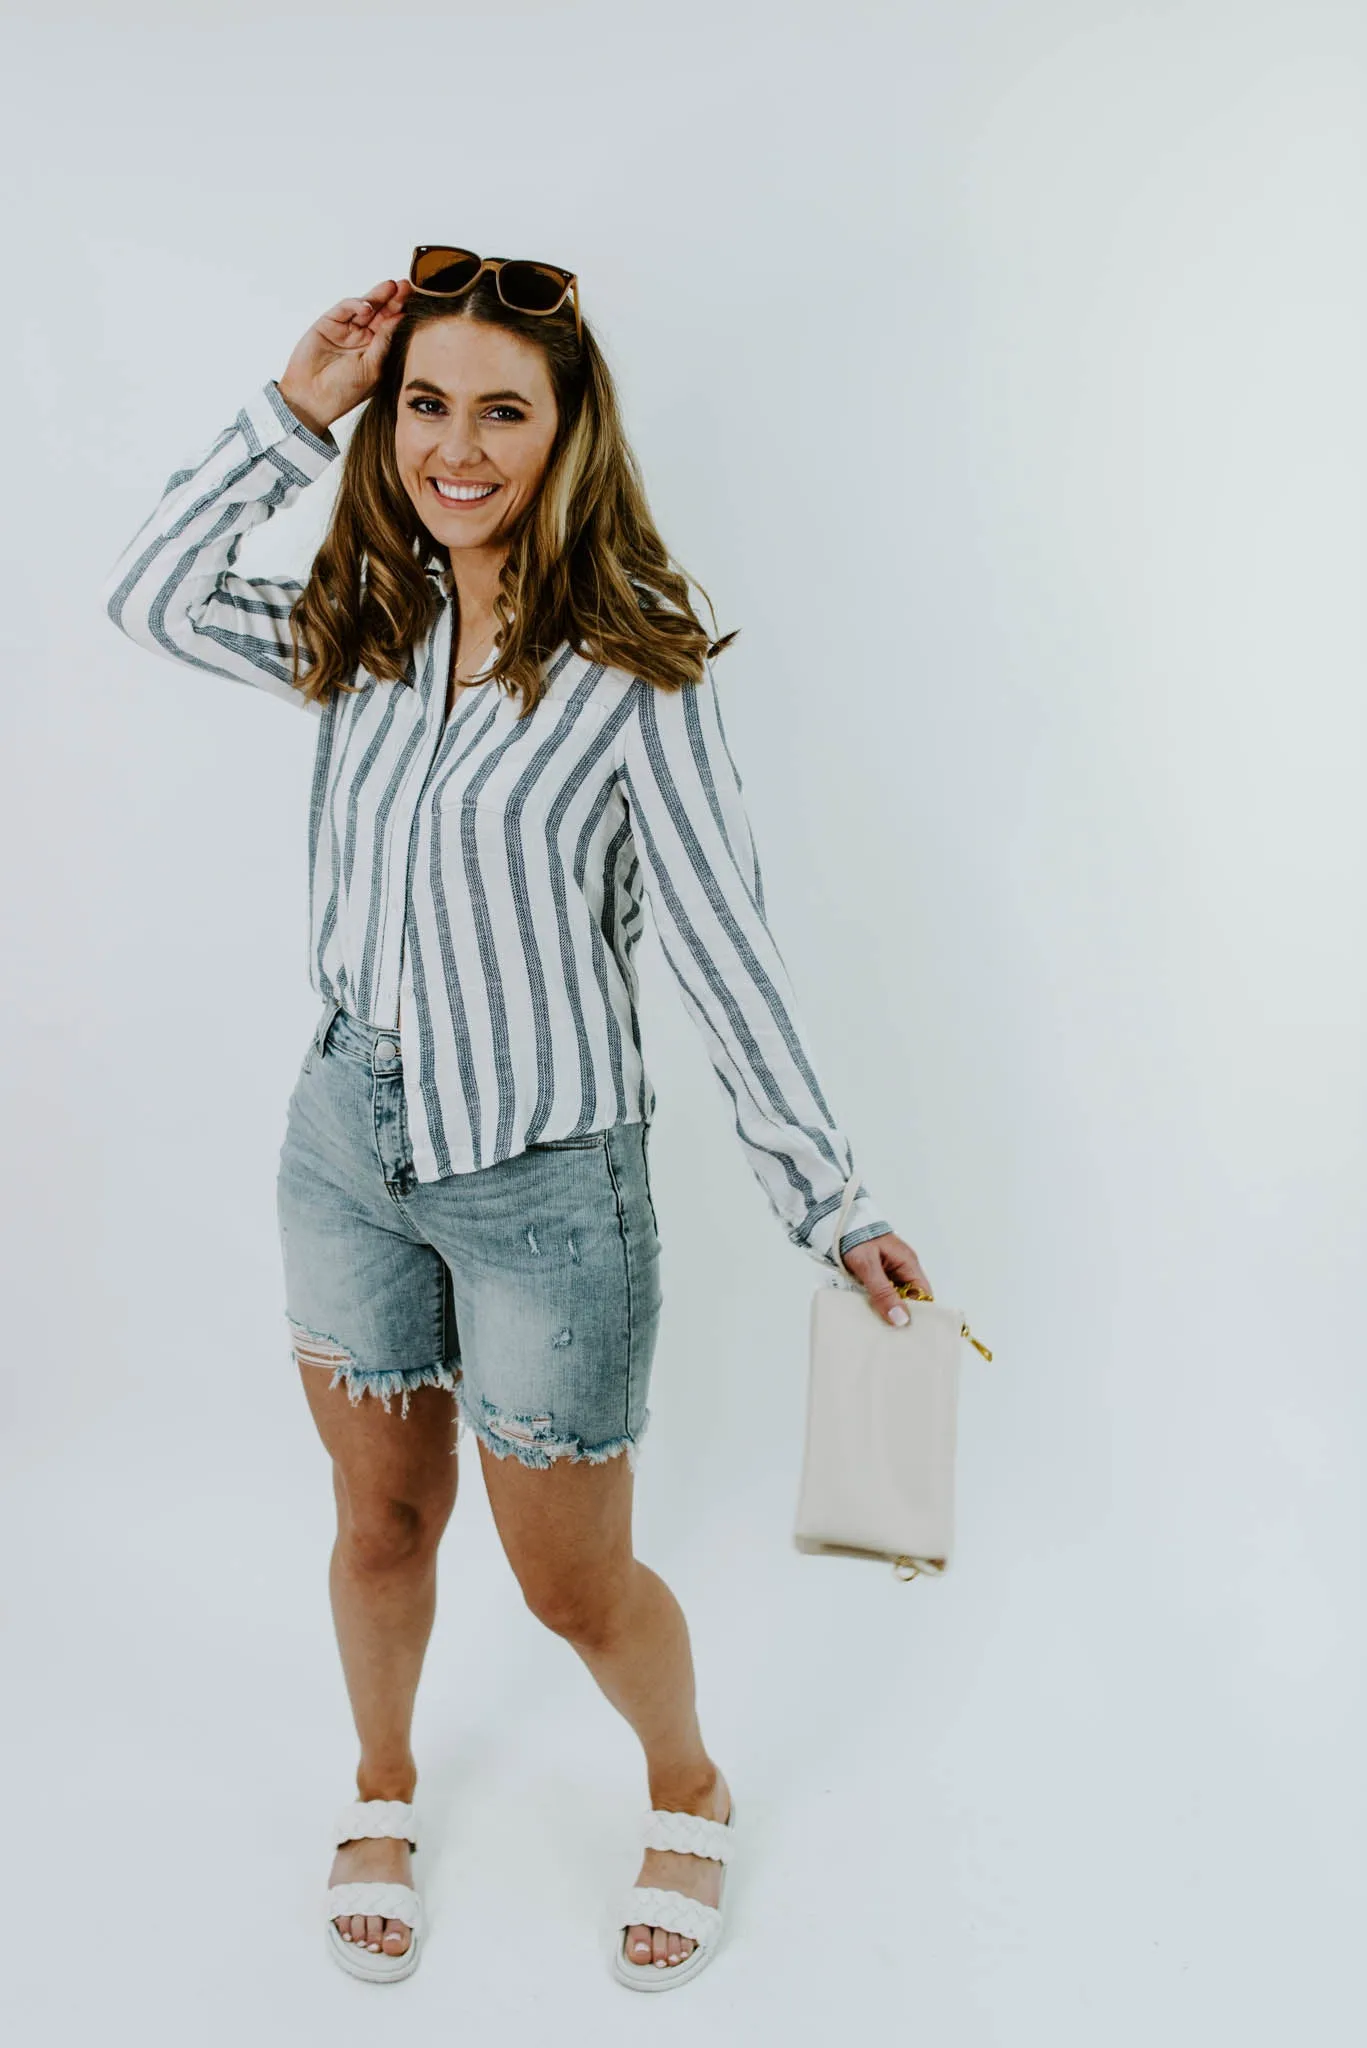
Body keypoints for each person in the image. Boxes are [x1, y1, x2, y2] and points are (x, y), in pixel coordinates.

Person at [99, 257, 932, 1992]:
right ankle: (381, 1789)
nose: (455, 447)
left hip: (546, 1185)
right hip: (345, 1143)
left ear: (565, 434)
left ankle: (688, 1785)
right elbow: (152, 600)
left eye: (501, 409)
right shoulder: (368, 619)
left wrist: (825, 1195)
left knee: (569, 1584)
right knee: (379, 1526)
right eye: (426, 404)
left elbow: (721, 944)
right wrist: (297, 402)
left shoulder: (633, 658)